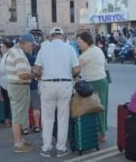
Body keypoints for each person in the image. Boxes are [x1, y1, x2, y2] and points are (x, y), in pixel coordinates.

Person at [33, 27, 81, 158]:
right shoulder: (69, 48)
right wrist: (68, 74)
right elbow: (77, 69)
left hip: (47, 84)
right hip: (64, 85)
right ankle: (61, 148)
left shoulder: (44, 49)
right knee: (63, 118)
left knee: (47, 119)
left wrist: (41, 75)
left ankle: (46, 148)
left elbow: (36, 70)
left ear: (51, 37)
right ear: (62, 36)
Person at [5, 33, 38, 153]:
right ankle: (18, 144)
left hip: (17, 87)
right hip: (19, 87)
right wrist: (35, 75)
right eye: (32, 45)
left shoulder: (16, 52)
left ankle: (20, 141)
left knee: (19, 114)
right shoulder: (18, 54)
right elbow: (22, 74)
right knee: (18, 116)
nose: (32, 47)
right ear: (26, 43)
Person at [77, 31, 109, 141]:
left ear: (86, 42)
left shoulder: (87, 54)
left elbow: (76, 68)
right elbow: (106, 64)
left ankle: (102, 133)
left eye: (80, 42)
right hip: (102, 80)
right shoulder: (97, 49)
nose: (79, 45)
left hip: (95, 82)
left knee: (97, 107)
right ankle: (102, 130)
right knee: (102, 106)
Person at [0, 41, 14, 127]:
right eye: (1, 47)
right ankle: (8, 120)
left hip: (9, 82)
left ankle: (10, 120)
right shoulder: (4, 56)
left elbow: (3, 70)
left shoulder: (8, 56)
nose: (1, 49)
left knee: (10, 102)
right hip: (4, 82)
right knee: (7, 102)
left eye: (3, 47)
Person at [26, 51, 41, 134]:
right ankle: (37, 126)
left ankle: (26, 127)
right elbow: (38, 72)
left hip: (23, 84)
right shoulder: (33, 58)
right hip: (34, 84)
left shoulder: (21, 59)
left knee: (25, 108)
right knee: (36, 107)